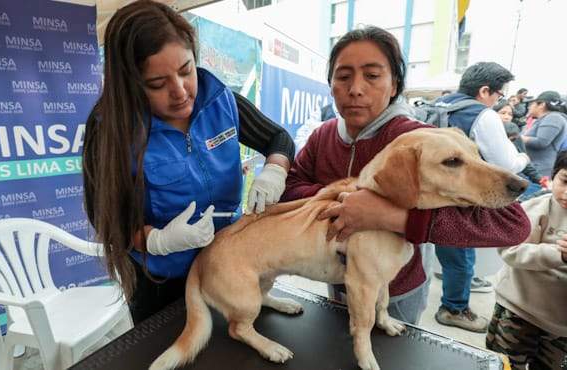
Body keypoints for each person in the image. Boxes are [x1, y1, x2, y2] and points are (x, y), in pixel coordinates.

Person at [282, 26, 530, 325]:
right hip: (337, 282)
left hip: (397, 292)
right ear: (331, 83)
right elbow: (291, 186)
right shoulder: (324, 136)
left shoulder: (418, 139)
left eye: (372, 76)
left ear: (394, 84)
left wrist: (391, 217)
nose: (356, 88)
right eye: (343, 76)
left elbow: (512, 225)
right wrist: (342, 202)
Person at [82, 0, 294, 323]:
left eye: (186, 71)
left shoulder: (219, 100)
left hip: (230, 263)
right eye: (157, 84)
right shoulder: (111, 131)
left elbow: (278, 138)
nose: (180, 91)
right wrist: (157, 240)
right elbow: (107, 219)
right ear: (130, 84)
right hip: (162, 284)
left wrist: (274, 171)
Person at [428, 62, 530, 332]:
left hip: (432, 193)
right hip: (464, 198)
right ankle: (454, 308)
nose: (498, 101)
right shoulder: (482, 115)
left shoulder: (439, 104)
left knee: (446, 248)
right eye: (498, 95)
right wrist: (523, 156)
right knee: (463, 253)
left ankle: (453, 282)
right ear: (485, 90)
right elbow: (506, 164)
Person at [486, 151, 567, 370]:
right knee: (504, 365)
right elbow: (510, 249)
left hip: (560, 328)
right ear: (553, 176)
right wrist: (557, 255)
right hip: (519, 311)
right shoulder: (536, 209)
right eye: (565, 181)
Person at [493, 102, 543, 186]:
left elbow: (522, 156)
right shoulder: (483, 131)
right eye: (502, 113)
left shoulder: (513, 133)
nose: (507, 117)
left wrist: (540, 180)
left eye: (510, 114)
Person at [521, 90, 567, 177]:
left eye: (532, 104)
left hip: (539, 170)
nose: (529, 107)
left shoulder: (553, 117)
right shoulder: (547, 118)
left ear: (542, 104)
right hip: (534, 168)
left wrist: (519, 138)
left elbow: (541, 142)